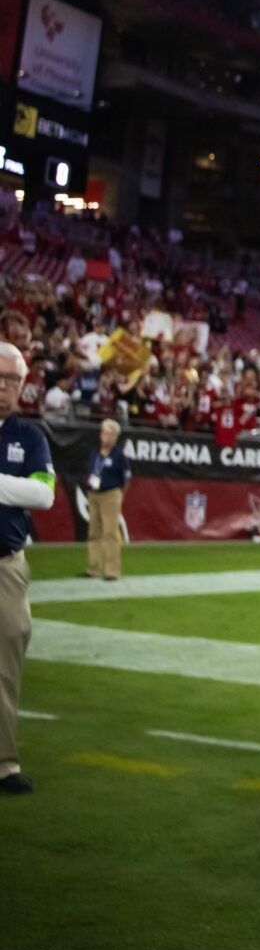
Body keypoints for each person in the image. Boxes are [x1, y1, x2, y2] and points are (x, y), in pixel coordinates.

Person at [0, 341, 55, 795]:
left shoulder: (29, 436)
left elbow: (44, 495)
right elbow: (27, 491)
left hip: (6, 565)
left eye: (13, 379)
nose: (4, 387)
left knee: (6, 665)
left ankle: (3, 763)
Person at [84, 418, 132, 581]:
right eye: (103, 432)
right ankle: (93, 568)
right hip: (93, 493)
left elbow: (126, 479)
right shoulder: (94, 452)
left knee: (110, 532)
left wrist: (119, 496)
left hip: (111, 494)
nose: (103, 435)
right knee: (93, 532)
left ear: (114, 437)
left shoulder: (119, 456)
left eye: (107, 433)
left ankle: (111, 570)